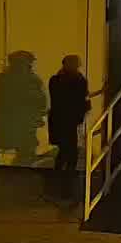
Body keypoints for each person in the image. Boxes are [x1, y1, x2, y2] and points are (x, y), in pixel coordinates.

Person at [0, 51, 46, 167]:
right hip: (21, 125)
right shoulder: (31, 80)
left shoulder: (3, 78)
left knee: (24, 153)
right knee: (26, 153)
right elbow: (40, 101)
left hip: (17, 125)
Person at [47, 55, 91, 197]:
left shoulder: (54, 80)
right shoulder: (79, 81)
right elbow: (81, 101)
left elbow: (58, 100)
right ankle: (66, 187)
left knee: (63, 152)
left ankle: (56, 183)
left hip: (57, 121)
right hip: (70, 122)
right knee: (71, 154)